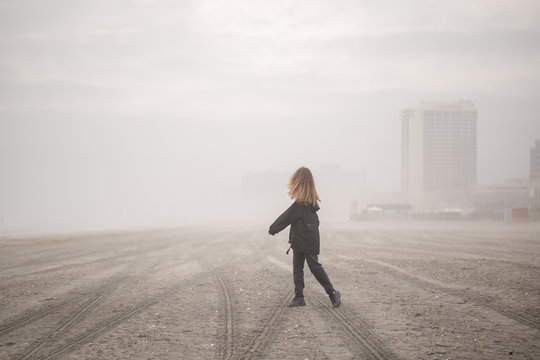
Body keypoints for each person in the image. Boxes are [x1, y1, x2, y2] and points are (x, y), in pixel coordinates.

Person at [268, 167, 341, 308]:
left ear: (299, 183)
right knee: (298, 268)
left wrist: (273, 229)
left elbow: (286, 217)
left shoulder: (301, 205)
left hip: (307, 241)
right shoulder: (310, 204)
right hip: (301, 240)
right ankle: (299, 297)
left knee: (314, 267)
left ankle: (332, 293)